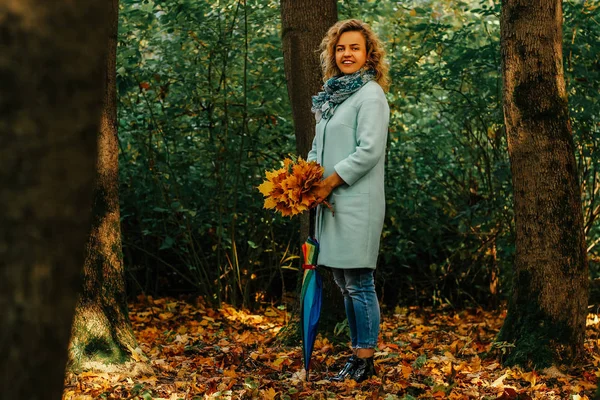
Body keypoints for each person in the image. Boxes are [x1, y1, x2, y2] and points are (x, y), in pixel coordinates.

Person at [306, 19, 390, 383]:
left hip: (356, 200)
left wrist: (330, 182)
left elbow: (369, 150)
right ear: (332, 53)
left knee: (359, 281)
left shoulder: (371, 95)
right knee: (343, 281)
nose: (346, 54)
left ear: (368, 55)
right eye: (341, 48)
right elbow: (317, 146)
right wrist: (306, 180)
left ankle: (365, 359)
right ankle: (356, 355)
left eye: (354, 48)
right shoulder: (331, 95)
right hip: (329, 200)